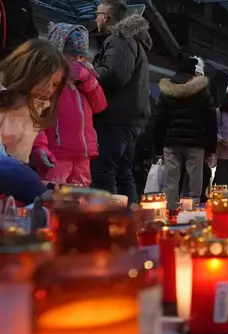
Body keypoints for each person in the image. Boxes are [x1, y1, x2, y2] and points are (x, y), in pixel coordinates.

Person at [31, 23, 107, 187]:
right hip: (56, 153)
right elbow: (36, 116)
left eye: (81, 57)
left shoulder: (85, 77)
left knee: (80, 201)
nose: (78, 62)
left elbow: (100, 105)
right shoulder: (48, 80)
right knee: (54, 197)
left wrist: (87, 79)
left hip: (82, 153)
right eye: (72, 57)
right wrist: (39, 146)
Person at [91, 0, 152, 203]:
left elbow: (115, 76)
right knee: (123, 172)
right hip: (130, 117)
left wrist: (91, 72)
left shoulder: (119, 40)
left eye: (98, 13)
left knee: (104, 171)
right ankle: (128, 220)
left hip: (115, 118)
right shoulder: (132, 40)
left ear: (106, 17)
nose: (96, 18)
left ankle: (108, 222)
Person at [152, 56, 217, 209]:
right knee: (194, 180)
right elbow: (211, 122)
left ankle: (170, 211)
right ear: (192, 72)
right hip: (196, 143)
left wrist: (158, 146)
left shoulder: (167, 91)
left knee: (171, 180)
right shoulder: (202, 92)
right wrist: (211, 148)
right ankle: (191, 211)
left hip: (171, 143)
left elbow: (159, 120)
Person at [0, 39, 67, 164]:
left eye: (55, 84)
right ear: (28, 72)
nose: (49, 90)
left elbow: (31, 129)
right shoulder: (4, 101)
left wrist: (39, 147)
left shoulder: (39, 105)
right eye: (46, 82)